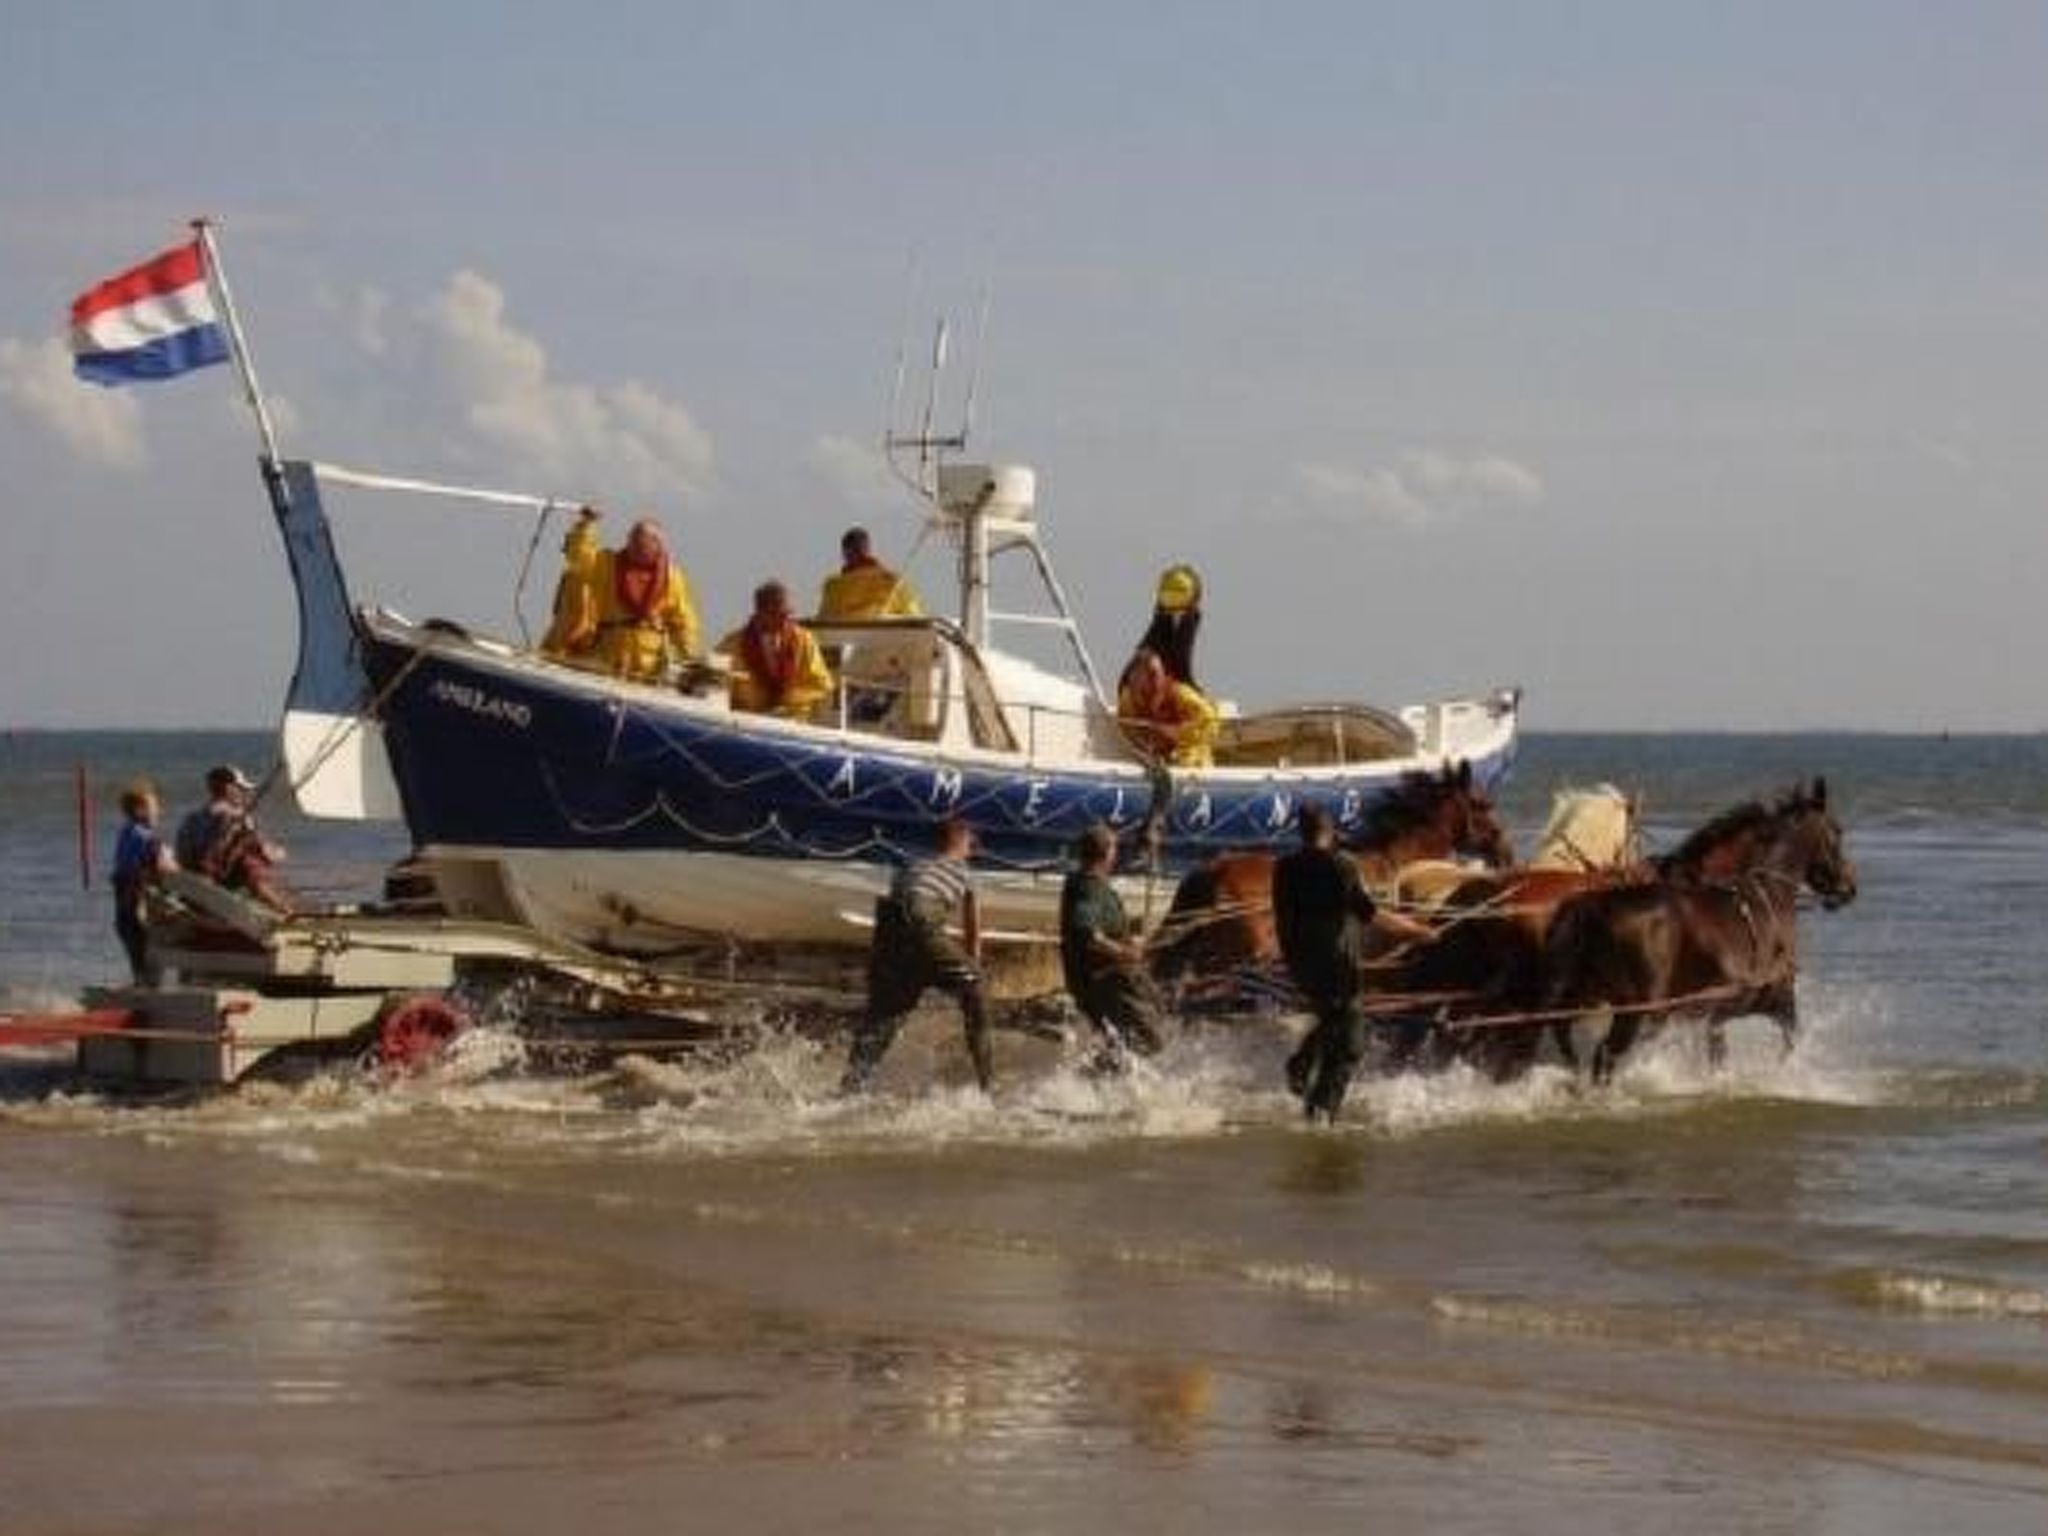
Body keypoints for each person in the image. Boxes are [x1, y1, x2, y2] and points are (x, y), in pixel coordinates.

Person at [1273, 802, 1438, 1123]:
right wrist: (1417, 932)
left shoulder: (1284, 866)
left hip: (1298, 963)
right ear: (1330, 830)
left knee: (1333, 1019)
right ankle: (1321, 1113)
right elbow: (1370, 914)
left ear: (1301, 831)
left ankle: (1302, 1066)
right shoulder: (1340, 866)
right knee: (1352, 1039)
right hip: (1335, 966)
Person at [841, 818, 993, 1094]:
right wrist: (971, 971)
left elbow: (897, 918)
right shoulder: (965, 872)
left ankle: (849, 1088)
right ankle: (988, 1088)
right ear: (964, 840)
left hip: (890, 931)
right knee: (979, 985)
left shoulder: (910, 865)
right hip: (920, 920)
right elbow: (973, 934)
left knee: (885, 1015)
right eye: (973, 843)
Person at [541, 507, 701, 682]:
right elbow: (580, 558)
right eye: (631, 540)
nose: (633, 547)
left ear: (657, 545)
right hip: (606, 660)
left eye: (640, 544)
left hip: (648, 669)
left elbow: (684, 623)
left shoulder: (673, 578)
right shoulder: (608, 563)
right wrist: (586, 526)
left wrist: (690, 658)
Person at [1059, 823, 1167, 1070]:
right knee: (1152, 1041)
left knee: (1129, 1035)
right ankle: (1095, 1075)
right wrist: (1125, 952)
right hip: (1105, 981)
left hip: (1106, 978)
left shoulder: (1087, 881)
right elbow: (1088, 934)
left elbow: (1101, 928)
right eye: (1115, 849)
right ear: (1108, 853)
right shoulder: (1088, 888)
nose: (1117, 854)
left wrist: (1131, 934)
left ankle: (1099, 1078)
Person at [174, 764, 292, 913]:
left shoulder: (191, 819)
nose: (243, 794)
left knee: (246, 858)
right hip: (220, 884)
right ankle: (285, 912)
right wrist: (280, 852)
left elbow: (183, 855)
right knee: (254, 862)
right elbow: (265, 852)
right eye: (241, 789)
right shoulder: (237, 817)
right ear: (229, 788)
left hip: (195, 883)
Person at [718, 579, 837, 717]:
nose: (785, 621)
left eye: (787, 615)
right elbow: (716, 682)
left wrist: (788, 701)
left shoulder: (803, 640)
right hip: (747, 721)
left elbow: (822, 685)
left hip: (794, 720)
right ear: (760, 613)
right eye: (778, 614)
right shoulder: (733, 644)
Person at [111, 780, 174, 984]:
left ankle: (141, 987)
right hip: (137, 905)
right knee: (149, 954)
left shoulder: (125, 832)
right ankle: (147, 995)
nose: (158, 812)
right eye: (154, 807)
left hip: (123, 907)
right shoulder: (145, 837)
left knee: (138, 957)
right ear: (140, 810)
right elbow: (162, 865)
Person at [1117, 647, 1220, 767]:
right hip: (1149, 758)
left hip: (1188, 758)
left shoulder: (1179, 694)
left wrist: (1176, 732)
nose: (1154, 681)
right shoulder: (1129, 699)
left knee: (1190, 757)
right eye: (1148, 676)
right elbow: (1126, 727)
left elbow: (1210, 722)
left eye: (1156, 674)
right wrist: (1143, 741)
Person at [816, 526, 922, 621]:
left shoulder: (834, 585)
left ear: (845, 553)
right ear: (869, 549)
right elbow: (915, 616)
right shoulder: (893, 580)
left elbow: (824, 617)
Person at [1135, 563, 1204, 691]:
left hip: (1150, 686)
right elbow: (1181, 662)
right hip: (1155, 688)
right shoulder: (1183, 618)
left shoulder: (1165, 616)